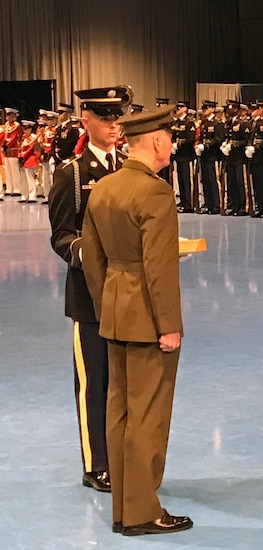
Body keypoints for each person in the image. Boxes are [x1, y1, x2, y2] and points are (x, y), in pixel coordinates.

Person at [82, 104, 192, 535]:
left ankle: (124, 509)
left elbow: (93, 258)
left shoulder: (104, 187)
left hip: (113, 313)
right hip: (148, 318)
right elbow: (159, 267)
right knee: (148, 417)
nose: (171, 145)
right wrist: (169, 324)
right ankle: (143, 512)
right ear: (159, 142)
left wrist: (105, 304)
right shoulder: (155, 192)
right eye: (169, 138)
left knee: (120, 414)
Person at [48, 86, 132, 494]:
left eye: (117, 117)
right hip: (91, 297)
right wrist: (90, 252)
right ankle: (96, 463)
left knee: (128, 382)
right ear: (86, 121)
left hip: (132, 294)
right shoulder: (73, 174)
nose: (113, 125)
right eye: (104, 118)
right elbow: (61, 236)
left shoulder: (133, 168)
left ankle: (124, 457)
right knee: (94, 381)